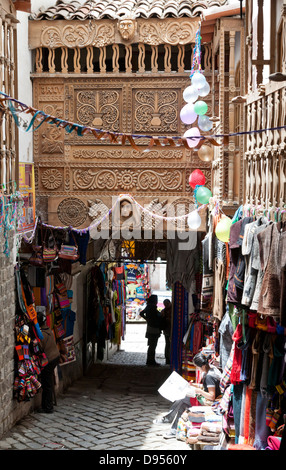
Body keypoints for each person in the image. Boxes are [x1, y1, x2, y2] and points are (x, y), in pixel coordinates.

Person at [153, 351, 222, 438]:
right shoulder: (211, 370)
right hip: (207, 399)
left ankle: (168, 419)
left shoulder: (209, 376)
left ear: (203, 366)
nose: (198, 369)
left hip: (210, 402)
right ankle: (174, 430)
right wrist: (194, 385)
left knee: (182, 398)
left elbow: (211, 396)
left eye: (197, 367)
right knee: (182, 405)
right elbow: (208, 388)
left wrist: (199, 391)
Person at [37, 310, 60, 413]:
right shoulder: (48, 330)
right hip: (55, 357)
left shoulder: (42, 334)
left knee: (46, 383)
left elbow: (40, 347)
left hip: (50, 359)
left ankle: (48, 407)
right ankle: (46, 405)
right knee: (48, 381)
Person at [140, 294, 162, 366]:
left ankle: (150, 360)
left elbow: (141, 313)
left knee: (151, 345)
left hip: (150, 327)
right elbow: (157, 316)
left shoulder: (149, 306)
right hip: (154, 328)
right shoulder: (152, 307)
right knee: (153, 345)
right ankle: (151, 361)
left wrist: (147, 319)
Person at [161, 299, 172, 365]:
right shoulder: (164, 311)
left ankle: (168, 358)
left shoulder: (164, 311)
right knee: (168, 344)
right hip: (167, 330)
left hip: (168, 330)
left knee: (168, 344)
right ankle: (167, 358)